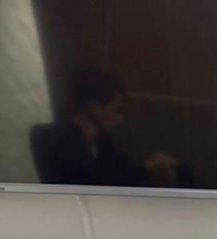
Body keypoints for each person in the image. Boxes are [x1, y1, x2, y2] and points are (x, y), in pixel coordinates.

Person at [30, 69, 178, 187]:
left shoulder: (103, 143)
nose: (121, 119)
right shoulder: (50, 137)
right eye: (117, 110)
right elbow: (93, 180)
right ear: (95, 107)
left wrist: (153, 165)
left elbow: (124, 170)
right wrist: (147, 167)